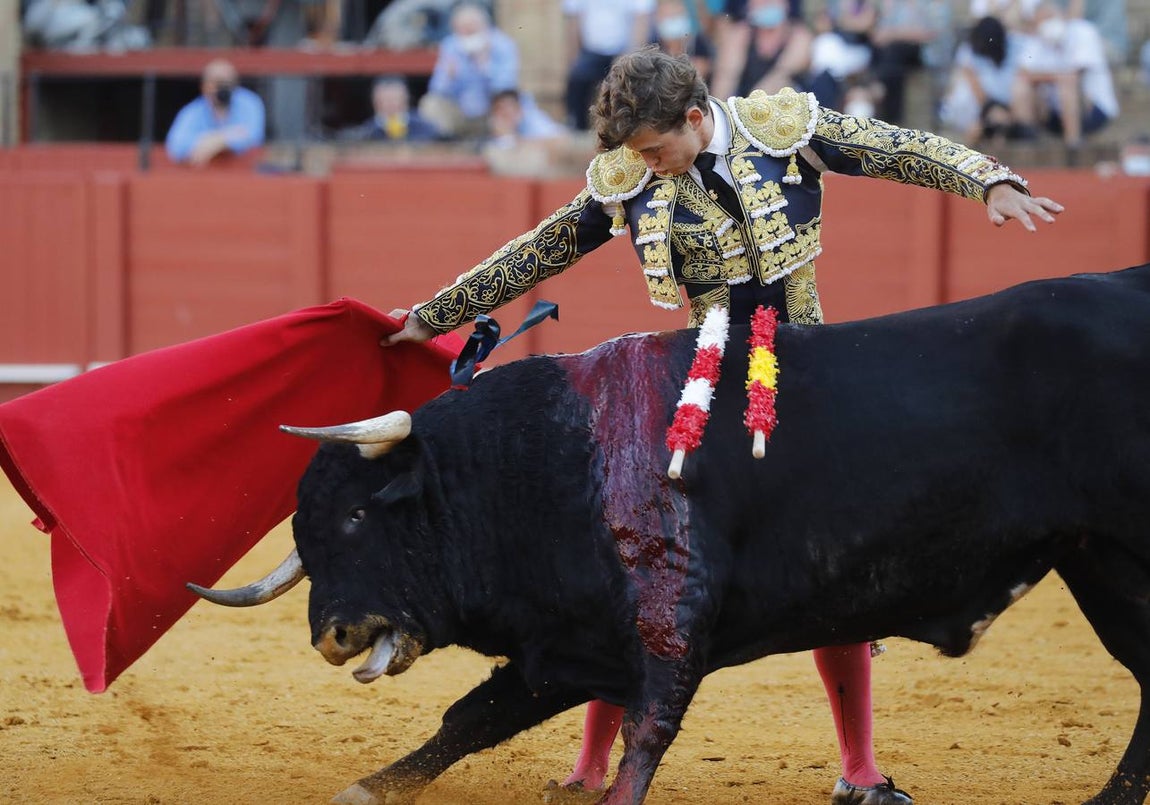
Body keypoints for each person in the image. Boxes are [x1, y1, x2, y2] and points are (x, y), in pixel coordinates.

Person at [384, 47, 1062, 805]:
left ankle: (860, 768)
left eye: (654, 148)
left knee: (830, 561)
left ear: (697, 118)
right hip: (698, 378)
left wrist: (990, 179)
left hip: (806, 375)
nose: (648, 166)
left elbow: (895, 148)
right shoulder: (631, 175)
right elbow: (541, 249)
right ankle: (588, 766)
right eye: (635, 154)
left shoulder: (783, 128)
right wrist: (431, 315)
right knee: (644, 564)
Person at [1010, 0, 1119, 152]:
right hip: (1053, 112)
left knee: (1066, 86)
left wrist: (1049, 77)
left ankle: (1073, 143)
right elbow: (1024, 73)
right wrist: (1052, 77)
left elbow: (1074, 75)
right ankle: (1028, 141)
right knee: (1021, 87)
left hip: (1092, 109)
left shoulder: (1083, 31)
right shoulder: (1036, 38)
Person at [418, 1, 520, 139]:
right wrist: (449, 77)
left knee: (507, 104)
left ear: (484, 26)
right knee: (430, 104)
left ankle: (504, 143)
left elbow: (506, 87)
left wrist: (485, 66)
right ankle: (445, 144)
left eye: (472, 29)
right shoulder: (451, 45)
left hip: (489, 111)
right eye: (463, 30)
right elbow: (436, 89)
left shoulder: (502, 45)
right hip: (461, 111)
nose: (468, 34)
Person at [563, 0, 656, 130]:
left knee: (635, 83)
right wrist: (574, 59)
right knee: (577, 78)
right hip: (591, 52)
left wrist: (629, 57)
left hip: (626, 51)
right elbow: (573, 23)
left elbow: (641, 22)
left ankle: (635, 127)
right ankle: (577, 127)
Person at [939, 14, 1025, 145]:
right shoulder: (968, 52)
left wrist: (1007, 113)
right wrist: (991, 110)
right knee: (968, 105)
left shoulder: (1014, 48)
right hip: (979, 110)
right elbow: (975, 88)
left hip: (1011, 109)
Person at [164, 58, 266, 167]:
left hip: (245, 177)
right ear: (204, 86)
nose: (223, 87)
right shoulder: (193, 111)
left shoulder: (249, 102)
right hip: (203, 178)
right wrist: (213, 139)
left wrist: (219, 140)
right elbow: (176, 146)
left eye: (228, 82)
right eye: (218, 82)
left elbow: (253, 136)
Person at [708, 0, 814, 101]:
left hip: (786, 108)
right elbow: (725, 77)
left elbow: (781, 75)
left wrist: (751, 108)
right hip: (744, 104)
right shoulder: (740, 35)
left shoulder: (799, 37)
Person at [337, 75, 443, 142]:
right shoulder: (366, 133)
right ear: (376, 102)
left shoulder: (426, 128)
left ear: (405, 100)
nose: (390, 104)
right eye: (386, 99)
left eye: (394, 99)